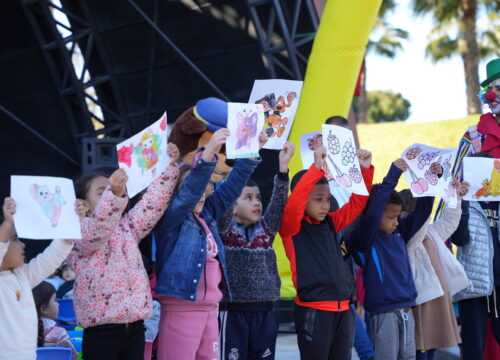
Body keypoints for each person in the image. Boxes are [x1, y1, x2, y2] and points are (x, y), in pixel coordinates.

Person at [153, 129, 264, 360]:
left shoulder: (207, 215)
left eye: (206, 189)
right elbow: (191, 190)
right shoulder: (172, 219)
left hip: (210, 307)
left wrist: (252, 150)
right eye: (195, 189)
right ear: (175, 194)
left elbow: (233, 186)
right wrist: (211, 149)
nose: (202, 194)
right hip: (181, 307)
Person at [69, 144, 180, 360]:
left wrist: (168, 165)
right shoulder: (75, 230)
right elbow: (96, 233)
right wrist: (115, 193)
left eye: (115, 189)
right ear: (83, 203)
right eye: (102, 192)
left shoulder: (128, 226)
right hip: (101, 332)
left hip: (135, 327)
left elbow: (153, 203)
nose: (111, 193)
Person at [280, 144, 374, 360]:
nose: (325, 205)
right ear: (303, 199)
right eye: (318, 199)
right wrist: (316, 167)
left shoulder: (332, 221)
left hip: (343, 310)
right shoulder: (291, 227)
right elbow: (294, 204)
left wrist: (365, 171)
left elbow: (357, 204)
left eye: (328, 199)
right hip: (314, 311)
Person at [348, 158, 434, 360]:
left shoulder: (400, 232)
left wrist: (430, 180)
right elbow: (375, 209)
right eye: (391, 217)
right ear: (375, 214)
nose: (396, 222)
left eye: (398, 217)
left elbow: (423, 212)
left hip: (407, 308)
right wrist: (393, 175)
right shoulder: (365, 239)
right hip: (383, 314)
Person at [218, 141, 294, 360]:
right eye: (248, 198)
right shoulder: (225, 232)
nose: (256, 203)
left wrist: (283, 169)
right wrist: (235, 175)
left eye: (258, 197)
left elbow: (278, 203)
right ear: (232, 206)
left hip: (265, 313)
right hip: (232, 314)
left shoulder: (265, 230)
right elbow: (224, 200)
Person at [402, 183, 470, 360]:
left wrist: (456, 199)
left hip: (438, 298)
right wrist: (430, 189)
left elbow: (450, 223)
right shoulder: (409, 239)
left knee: (432, 346)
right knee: (420, 348)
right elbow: (421, 223)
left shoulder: (431, 233)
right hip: (422, 301)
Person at [0, 197, 74, 360]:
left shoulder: (22, 276)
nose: (23, 245)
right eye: (14, 239)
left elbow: (49, 260)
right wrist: (7, 223)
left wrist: (67, 235)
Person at [451, 152, 500, 359]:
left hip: (499, 284)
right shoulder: (464, 203)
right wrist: (460, 202)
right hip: (473, 284)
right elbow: (459, 239)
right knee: (473, 348)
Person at [32, 281, 78, 360]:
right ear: (44, 309)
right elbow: (72, 357)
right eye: (55, 300)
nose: (58, 304)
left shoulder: (21, 333)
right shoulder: (60, 333)